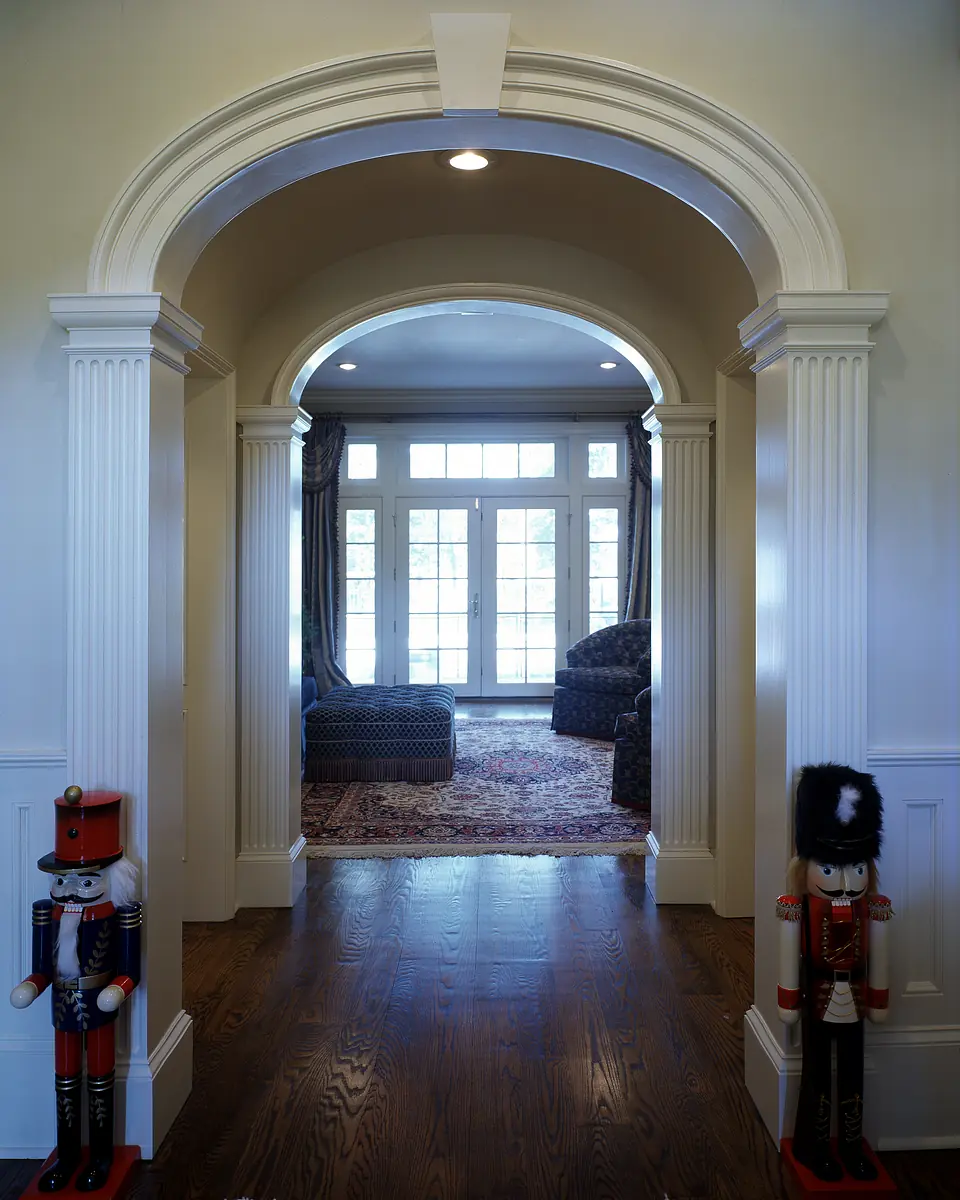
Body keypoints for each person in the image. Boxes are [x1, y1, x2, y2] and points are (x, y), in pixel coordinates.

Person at [9, 785, 141, 1193]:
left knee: (99, 1077)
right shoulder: (47, 912)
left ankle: (100, 1157)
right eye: (63, 880)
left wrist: (117, 989)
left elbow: (129, 967)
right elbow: (41, 967)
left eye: (84, 881)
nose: (70, 891)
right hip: (63, 1004)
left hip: (99, 1002)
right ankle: (67, 1156)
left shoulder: (119, 914)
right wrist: (31, 985)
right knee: (64, 1078)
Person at [776, 763, 893, 1182]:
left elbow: (878, 952)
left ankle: (849, 1145)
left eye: (855, 870)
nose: (845, 882)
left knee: (852, 1071)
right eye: (830, 870)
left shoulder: (872, 908)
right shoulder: (798, 907)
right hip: (818, 994)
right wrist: (788, 997)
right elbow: (791, 952)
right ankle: (812, 1145)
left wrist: (878, 997)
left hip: (856, 999)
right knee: (818, 1073)